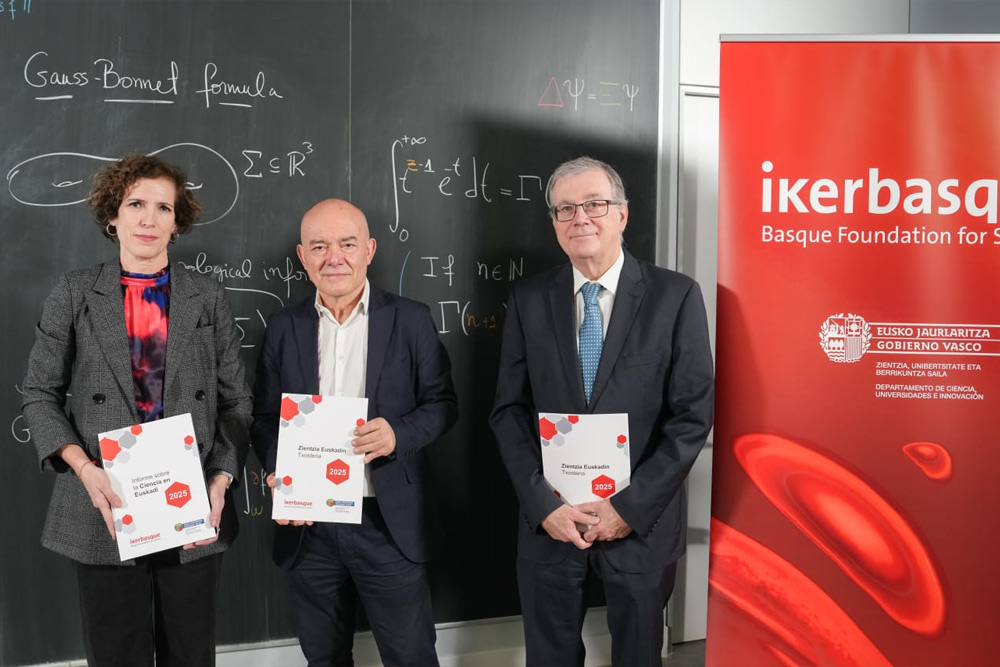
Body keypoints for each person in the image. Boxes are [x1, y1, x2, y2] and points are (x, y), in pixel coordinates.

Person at [21, 154, 253, 666]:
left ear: (177, 222)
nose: (149, 218)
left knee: (189, 655)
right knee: (116, 656)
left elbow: (236, 400)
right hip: (104, 501)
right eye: (135, 204)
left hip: (190, 500)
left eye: (163, 207)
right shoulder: (75, 292)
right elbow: (39, 392)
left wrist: (221, 478)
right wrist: (84, 469)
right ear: (112, 215)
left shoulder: (207, 296)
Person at [490, 156, 714, 666]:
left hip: (639, 524)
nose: (580, 218)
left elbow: (691, 417)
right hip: (552, 521)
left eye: (594, 204)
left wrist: (628, 510)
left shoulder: (675, 296)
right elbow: (508, 411)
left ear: (622, 214)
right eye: (565, 208)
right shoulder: (528, 299)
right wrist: (542, 504)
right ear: (554, 222)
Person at [251, 198, 458, 667]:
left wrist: (398, 434)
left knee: (410, 657)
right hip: (309, 527)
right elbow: (263, 418)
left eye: (347, 244)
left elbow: (444, 405)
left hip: (388, 522)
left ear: (369, 250)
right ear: (302, 256)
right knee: (323, 657)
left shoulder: (411, 319)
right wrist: (279, 469)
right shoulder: (283, 327)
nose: (334, 258)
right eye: (319, 246)